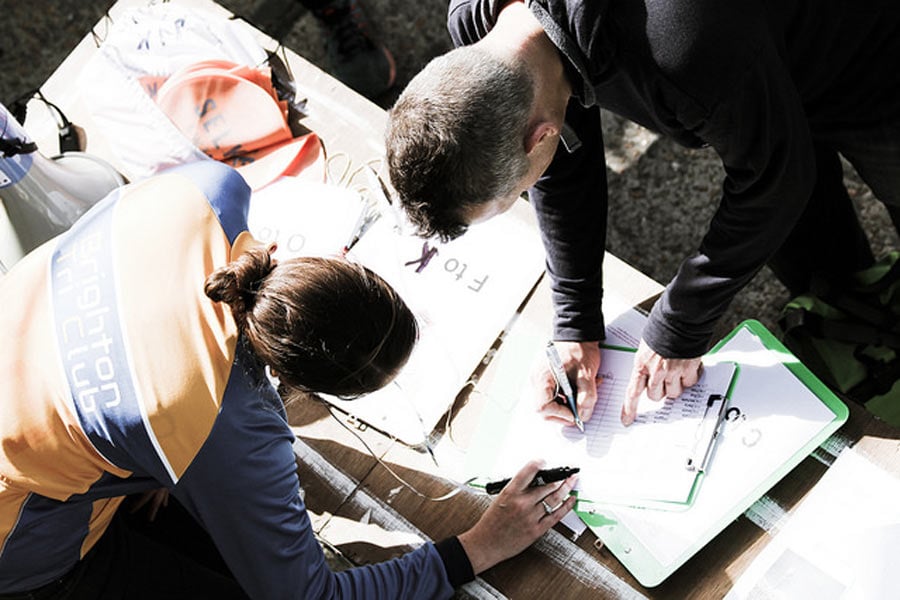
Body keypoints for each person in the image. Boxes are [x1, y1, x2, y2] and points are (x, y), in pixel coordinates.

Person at [0, 160, 577, 598]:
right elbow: (305, 594)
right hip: (23, 549)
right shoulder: (225, 425)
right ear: (292, 385)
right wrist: (475, 549)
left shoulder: (209, 188)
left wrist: (150, 435)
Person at [386, 0, 900, 427]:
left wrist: (679, 325)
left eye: (520, 186)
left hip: (861, 51)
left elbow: (776, 180)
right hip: (749, 65)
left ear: (538, 135)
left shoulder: (681, 50)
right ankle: (862, 311)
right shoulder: (484, 25)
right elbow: (564, 155)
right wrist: (575, 320)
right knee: (821, 263)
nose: (532, 185)